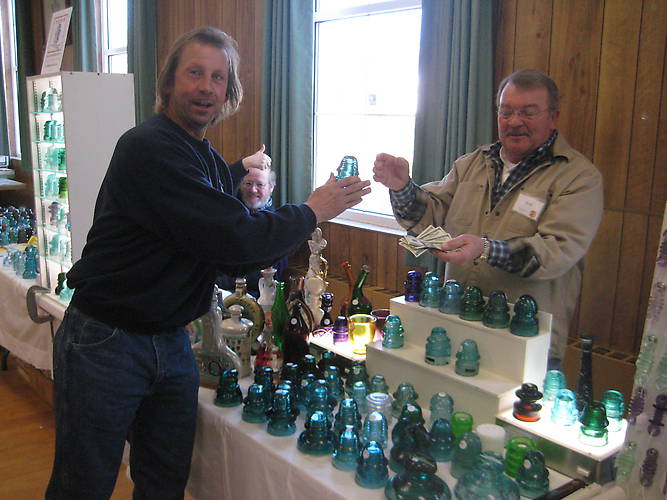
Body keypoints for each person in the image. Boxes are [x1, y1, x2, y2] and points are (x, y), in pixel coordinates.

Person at [46, 27, 370, 500]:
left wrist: (263, 188)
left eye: (218, 77)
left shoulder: (205, 157)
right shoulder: (149, 146)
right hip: (109, 340)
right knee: (83, 485)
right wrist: (312, 210)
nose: (206, 87)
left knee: (164, 483)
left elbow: (227, 233)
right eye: (194, 73)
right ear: (169, 83)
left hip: (172, 340)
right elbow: (234, 236)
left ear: (228, 90)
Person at [373, 69, 603, 370]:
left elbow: (557, 252)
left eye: (528, 112)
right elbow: (431, 218)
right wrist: (402, 187)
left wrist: (485, 249)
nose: (514, 121)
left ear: (553, 117)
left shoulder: (578, 178)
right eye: (506, 111)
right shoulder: (472, 164)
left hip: (524, 341)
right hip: (457, 325)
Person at [216, 163, 288, 295]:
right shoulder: (227, 214)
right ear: (240, 185)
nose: (253, 190)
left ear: (271, 188)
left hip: (256, 297)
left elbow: (268, 276)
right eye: (248, 183)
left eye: (260, 185)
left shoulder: (277, 225)